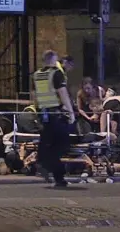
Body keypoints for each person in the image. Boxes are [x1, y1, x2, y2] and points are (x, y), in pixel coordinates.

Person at [33, 50, 75, 187]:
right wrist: (71, 112)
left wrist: (37, 111)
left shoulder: (37, 75)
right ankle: (49, 167)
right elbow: (63, 94)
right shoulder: (56, 74)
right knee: (62, 143)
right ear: (53, 60)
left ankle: (53, 172)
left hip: (43, 114)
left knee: (47, 143)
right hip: (55, 113)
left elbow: (34, 95)